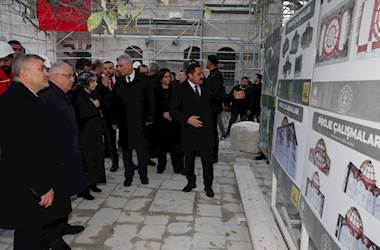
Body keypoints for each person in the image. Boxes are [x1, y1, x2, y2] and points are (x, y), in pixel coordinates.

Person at [0, 54, 72, 249]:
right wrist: (41, 186)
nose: (46, 72)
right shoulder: (16, 102)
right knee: (29, 235)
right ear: (24, 73)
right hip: (29, 187)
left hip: (32, 184)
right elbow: (20, 151)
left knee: (36, 233)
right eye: (41, 68)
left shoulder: (28, 97)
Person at [39, 62, 87, 247]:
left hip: (67, 154)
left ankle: (62, 225)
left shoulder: (61, 94)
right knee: (55, 200)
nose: (73, 79)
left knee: (64, 195)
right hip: (56, 158)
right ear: (56, 76)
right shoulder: (47, 96)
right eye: (69, 76)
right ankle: (53, 236)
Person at [170, 63, 215, 197]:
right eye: (198, 73)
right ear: (190, 75)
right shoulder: (180, 89)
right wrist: (187, 119)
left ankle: (208, 186)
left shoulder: (205, 86)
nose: (202, 76)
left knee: (207, 161)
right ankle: (191, 182)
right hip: (189, 132)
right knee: (188, 160)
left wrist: (232, 96)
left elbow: (216, 98)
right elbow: (173, 110)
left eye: (202, 73)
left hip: (205, 131)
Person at [112, 54, 155, 187]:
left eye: (121, 66)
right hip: (124, 122)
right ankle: (128, 175)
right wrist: (115, 120)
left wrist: (150, 117)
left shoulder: (144, 80)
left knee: (141, 150)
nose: (118, 68)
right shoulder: (119, 81)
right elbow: (115, 103)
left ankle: (143, 175)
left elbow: (151, 100)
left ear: (130, 66)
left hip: (141, 122)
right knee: (126, 151)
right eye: (117, 66)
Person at [72, 72, 106, 196]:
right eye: (93, 81)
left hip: (95, 132)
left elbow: (101, 104)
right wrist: (94, 105)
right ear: (85, 82)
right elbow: (82, 114)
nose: (96, 84)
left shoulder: (92, 93)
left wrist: (95, 105)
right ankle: (84, 189)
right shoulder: (79, 95)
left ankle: (93, 183)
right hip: (85, 134)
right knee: (86, 160)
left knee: (95, 158)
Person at [153, 68, 184, 174]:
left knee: (176, 145)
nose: (168, 78)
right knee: (161, 145)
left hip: (174, 121)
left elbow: (180, 104)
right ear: (161, 78)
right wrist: (162, 113)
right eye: (165, 77)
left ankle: (178, 167)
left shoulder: (175, 87)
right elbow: (153, 106)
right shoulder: (155, 90)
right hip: (160, 122)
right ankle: (161, 165)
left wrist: (172, 114)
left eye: (169, 76)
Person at [98, 61, 119, 172]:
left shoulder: (119, 80)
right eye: (105, 68)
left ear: (114, 69)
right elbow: (99, 98)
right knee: (110, 140)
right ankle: (114, 162)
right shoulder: (98, 82)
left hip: (120, 114)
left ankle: (128, 161)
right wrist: (104, 87)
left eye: (110, 68)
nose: (107, 70)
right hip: (107, 116)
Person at [204, 55, 226, 163]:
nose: (205, 62)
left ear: (211, 62)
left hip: (213, 108)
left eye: (207, 60)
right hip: (210, 108)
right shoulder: (212, 74)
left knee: (212, 132)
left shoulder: (216, 75)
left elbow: (216, 93)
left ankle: (214, 155)